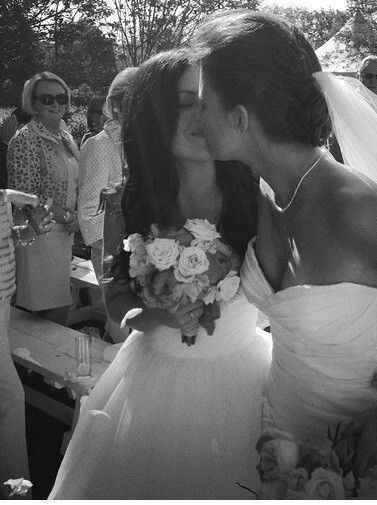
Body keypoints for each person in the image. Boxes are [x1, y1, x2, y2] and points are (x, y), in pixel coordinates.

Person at [193, 10, 377, 499]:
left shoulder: (356, 208)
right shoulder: (266, 191)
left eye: (203, 104)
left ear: (241, 117)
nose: (194, 118)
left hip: (362, 460)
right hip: (279, 438)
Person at [49, 48, 271, 499]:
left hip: (247, 378)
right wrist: (159, 315)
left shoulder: (259, 198)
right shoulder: (127, 202)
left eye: (207, 100)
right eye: (183, 102)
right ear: (153, 117)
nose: (200, 115)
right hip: (153, 379)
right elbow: (117, 306)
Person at [7, 71, 79, 325]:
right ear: (33, 102)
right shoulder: (26, 139)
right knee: (42, 316)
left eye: (61, 98)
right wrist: (68, 215)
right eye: (46, 99)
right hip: (38, 235)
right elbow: (26, 197)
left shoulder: (64, 135)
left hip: (63, 235)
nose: (56, 104)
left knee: (58, 311)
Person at [77, 68, 137, 342]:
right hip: (111, 252)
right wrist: (112, 247)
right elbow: (88, 210)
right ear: (116, 105)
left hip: (141, 250)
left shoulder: (140, 143)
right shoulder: (99, 145)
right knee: (122, 332)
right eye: (132, 99)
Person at [0, 188, 52, 497]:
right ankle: (18, 494)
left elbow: (7, 239)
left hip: (3, 296)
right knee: (10, 395)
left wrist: (27, 229)